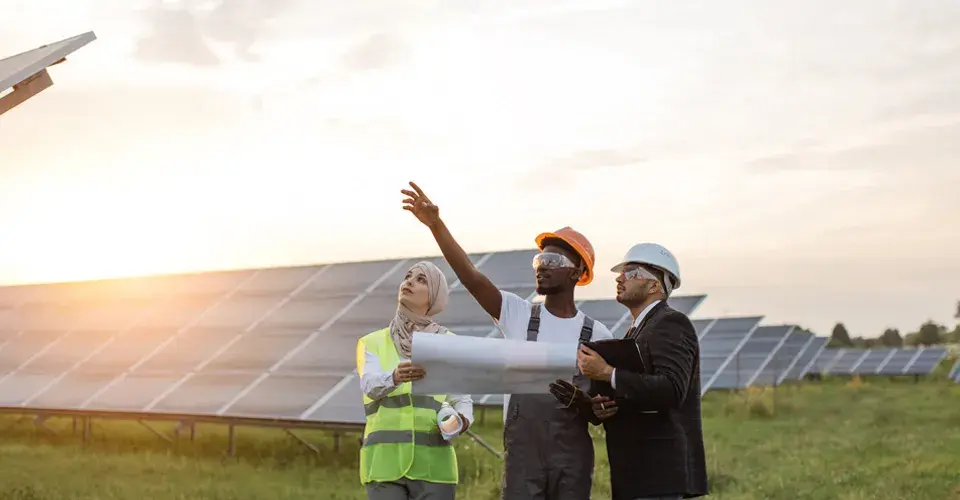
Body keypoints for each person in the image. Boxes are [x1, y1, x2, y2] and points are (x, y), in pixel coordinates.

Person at [400, 181, 614, 500]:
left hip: (572, 460)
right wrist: (436, 225)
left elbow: (603, 410)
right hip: (523, 456)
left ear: (577, 272)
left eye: (552, 263)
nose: (541, 269)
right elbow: (472, 277)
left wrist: (588, 405)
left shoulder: (598, 335)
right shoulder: (518, 314)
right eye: (539, 262)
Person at [575, 243, 708, 500]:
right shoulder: (639, 329)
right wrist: (605, 406)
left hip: (658, 473)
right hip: (639, 472)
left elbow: (671, 389)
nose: (620, 278)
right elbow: (640, 390)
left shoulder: (670, 323)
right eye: (621, 272)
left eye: (631, 272)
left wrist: (607, 373)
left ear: (654, 285)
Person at [356, 260, 474, 500]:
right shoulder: (372, 342)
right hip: (383, 466)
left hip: (435, 467)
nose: (409, 281)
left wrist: (462, 419)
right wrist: (395, 377)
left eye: (421, 280)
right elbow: (369, 385)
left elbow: (461, 397)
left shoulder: (449, 343)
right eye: (408, 276)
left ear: (435, 296)